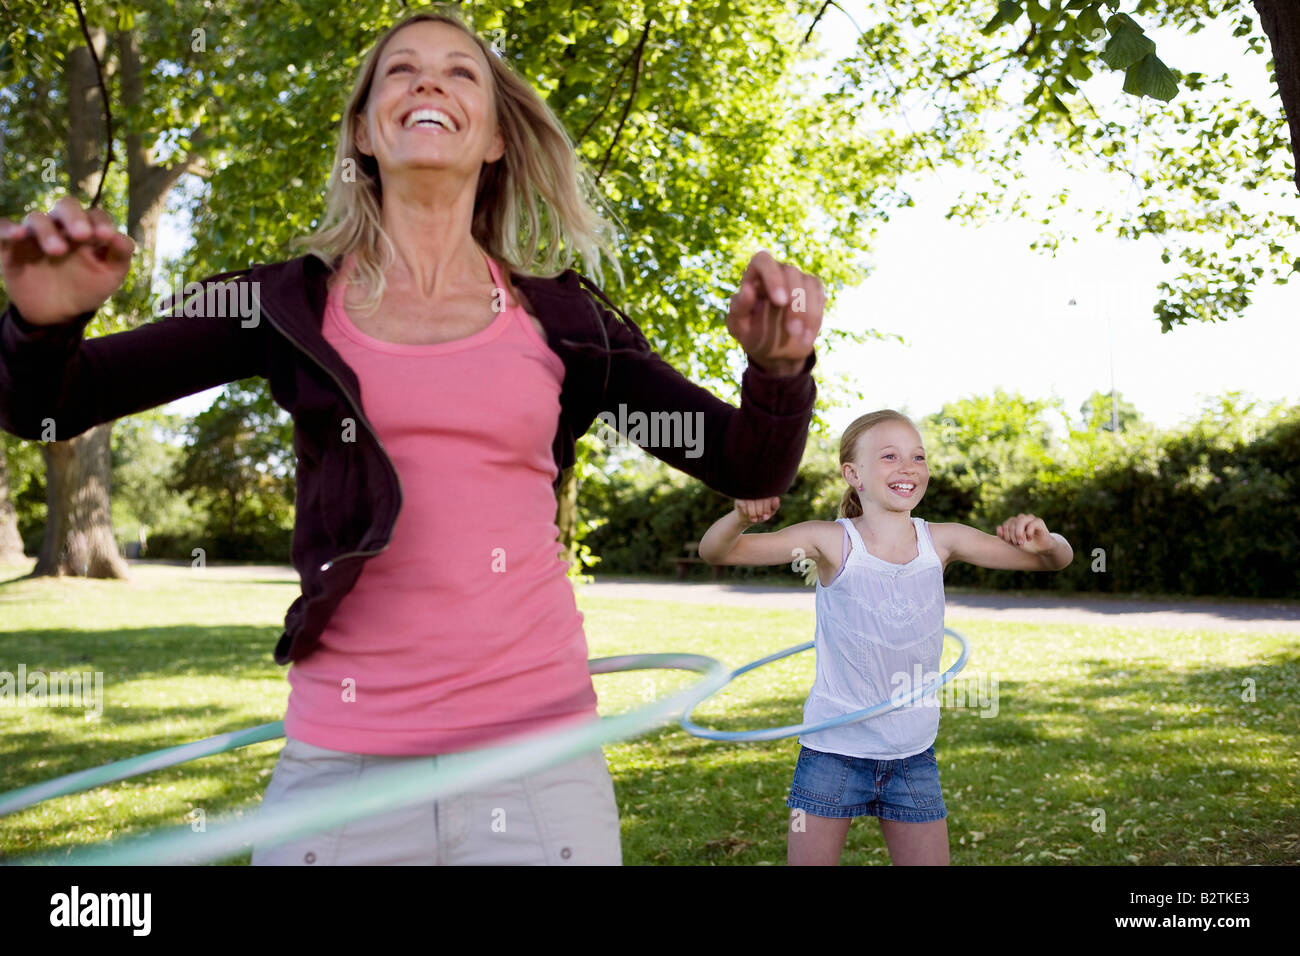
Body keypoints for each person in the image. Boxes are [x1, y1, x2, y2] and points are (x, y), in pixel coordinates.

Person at [0, 9, 825, 865]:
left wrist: (776, 370)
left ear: (498, 138)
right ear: (363, 129)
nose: (429, 82)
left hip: (539, 770)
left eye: (461, 72)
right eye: (401, 70)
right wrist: (41, 327)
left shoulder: (568, 323)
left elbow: (748, 463)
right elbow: (50, 408)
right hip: (342, 771)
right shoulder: (282, 306)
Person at [698, 409, 1073, 865]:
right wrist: (739, 517)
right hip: (832, 752)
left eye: (918, 456)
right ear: (852, 473)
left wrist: (1046, 540)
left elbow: (1052, 562)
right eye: (890, 456)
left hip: (912, 754)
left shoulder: (943, 541)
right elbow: (717, 551)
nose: (908, 467)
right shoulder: (829, 541)